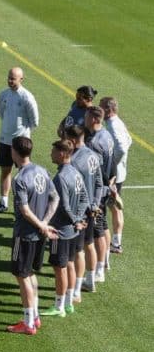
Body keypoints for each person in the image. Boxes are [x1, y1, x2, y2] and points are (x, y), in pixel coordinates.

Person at [6, 137, 59, 335]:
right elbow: (55, 198)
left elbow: (25, 211)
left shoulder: (20, 179)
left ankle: (28, 323)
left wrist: (41, 225)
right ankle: (34, 316)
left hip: (24, 235)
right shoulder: (42, 171)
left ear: (14, 152)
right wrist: (45, 223)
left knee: (22, 276)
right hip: (39, 235)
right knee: (30, 273)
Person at [40, 140, 88, 318]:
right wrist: (80, 219)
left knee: (59, 268)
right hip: (74, 231)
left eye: (53, 151)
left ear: (62, 153)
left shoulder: (60, 178)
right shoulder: (75, 172)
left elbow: (64, 206)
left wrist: (75, 220)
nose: (51, 154)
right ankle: (68, 304)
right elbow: (84, 198)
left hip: (60, 232)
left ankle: (58, 306)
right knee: (69, 264)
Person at [65, 125, 103, 299]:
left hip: (79, 211)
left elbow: (76, 190)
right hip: (91, 209)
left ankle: (76, 291)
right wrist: (95, 204)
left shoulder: (74, 161)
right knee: (89, 244)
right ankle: (90, 280)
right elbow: (99, 183)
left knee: (76, 252)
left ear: (72, 140)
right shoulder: (93, 156)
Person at [0, 67, 39, 213]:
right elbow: (1, 112)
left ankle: (23, 204)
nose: (10, 81)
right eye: (9, 77)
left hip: (21, 142)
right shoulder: (3, 95)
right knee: (5, 170)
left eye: (13, 78)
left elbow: (34, 120)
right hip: (4, 139)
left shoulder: (27, 97)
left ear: (21, 79)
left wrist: (24, 133)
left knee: (24, 173)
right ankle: (3, 202)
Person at [84, 106, 114, 283]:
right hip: (104, 189)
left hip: (97, 193)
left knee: (97, 232)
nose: (84, 120)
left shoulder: (95, 143)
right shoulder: (106, 135)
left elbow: (96, 171)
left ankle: (99, 269)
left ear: (94, 119)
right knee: (102, 228)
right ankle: (103, 263)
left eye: (87, 117)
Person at [100, 96, 132, 254]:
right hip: (120, 172)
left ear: (108, 109)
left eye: (101, 107)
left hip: (114, 175)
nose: (99, 110)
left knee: (113, 208)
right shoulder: (118, 122)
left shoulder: (112, 125)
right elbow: (129, 140)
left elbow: (122, 148)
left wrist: (112, 164)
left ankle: (115, 243)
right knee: (114, 207)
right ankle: (115, 242)